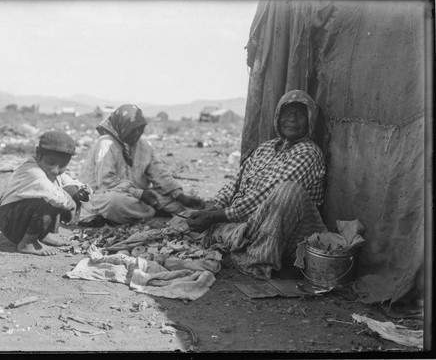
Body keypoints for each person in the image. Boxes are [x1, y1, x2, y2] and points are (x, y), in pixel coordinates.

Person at [187, 90, 327, 279]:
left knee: (288, 190)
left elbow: (266, 195)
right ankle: (238, 239)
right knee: (191, 220)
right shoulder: (266, 148)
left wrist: (216, 216)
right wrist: (214, 207)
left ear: (310, 120)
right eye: (287, 113)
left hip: (286, 233)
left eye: (300, 114)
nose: (292, 119)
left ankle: (254, 253)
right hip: (250, 221)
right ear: (278, 118)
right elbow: (235, 183)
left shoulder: (308, 152)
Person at [78, 104, 204, 225]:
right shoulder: (106, 144)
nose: (137, 134)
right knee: (114, 202)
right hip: (102, 195)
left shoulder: (143, 146)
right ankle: (151, 213)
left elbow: (159, 173)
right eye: (133, 130)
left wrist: (180, 196)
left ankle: (141, 213)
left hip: (137, 196)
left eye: (140, 129)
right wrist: (139, 194)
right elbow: (106, 182)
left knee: (177, 205)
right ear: (122, 127)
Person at [0, 130, 91, 256]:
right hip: (11, 221)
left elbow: (70, 182)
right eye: (51, 163)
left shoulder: (54, 172)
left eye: (62, 166)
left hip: (23, 217)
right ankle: (27, 243)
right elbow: (52, 193)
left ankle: (44, 234)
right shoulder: (32, 171)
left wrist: (81, 191)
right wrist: (72, 205)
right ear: (38, 154)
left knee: (71, 191)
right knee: (49, 200)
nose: (55, 170)